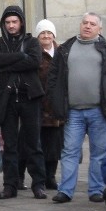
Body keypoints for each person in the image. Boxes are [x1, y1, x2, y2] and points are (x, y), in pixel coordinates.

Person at [48, 12, 106, 204]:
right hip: (73, 111)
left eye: (93, 24)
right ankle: (65, 191)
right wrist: (56, 102)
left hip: (99, 111)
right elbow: (53, 78)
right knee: (69, 151)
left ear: (100, 29)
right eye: (85, 22)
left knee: (99, 153)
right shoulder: (66, 48)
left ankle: (96, 190)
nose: (88, 26)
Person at [0, 5, 47, 199]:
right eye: (7, 22)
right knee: (10, 144)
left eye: (14, 22)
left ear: (21, 22)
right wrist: (20, 57)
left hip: (29, 97)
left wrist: (10, 63)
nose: (11, 25)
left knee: (33, 143)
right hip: (7, 100)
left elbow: (34, 61)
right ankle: (10, 185)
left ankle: (38, 184)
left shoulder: (31, 41)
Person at [33, 19, 64, 190]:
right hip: (39, 103)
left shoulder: (61, 52)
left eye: (49, 33)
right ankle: (40, 176)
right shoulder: (34, 53)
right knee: (39, 143)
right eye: (42, 33)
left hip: (56, 104)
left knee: (54, 144)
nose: (46, 36)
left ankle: (51, 176)